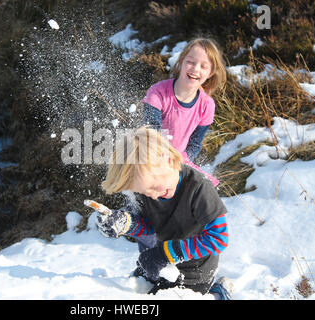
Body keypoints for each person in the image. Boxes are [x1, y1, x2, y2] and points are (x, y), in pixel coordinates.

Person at [96, 127, 234, 299]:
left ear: (168, 160)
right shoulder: (144, 190)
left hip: (194, 271)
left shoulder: (198, 189)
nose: (152, 195)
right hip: (159, 262)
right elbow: (148, 227)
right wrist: (125, 223)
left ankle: (218, 293)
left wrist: (165, 254)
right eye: (146, 192)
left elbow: (218, 238)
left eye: (153, 187)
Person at [142, 37, 227, 187]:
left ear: (211, 72)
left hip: (180, 160)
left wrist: (180, 161)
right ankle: (134, 208)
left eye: (203, 66)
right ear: (181, 61)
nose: (195, 69)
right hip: (151, 155)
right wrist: (162, 159)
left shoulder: (207, 105)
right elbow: (152, 131)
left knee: (205, 188)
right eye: (191, 62)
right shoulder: (157, 92)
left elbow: (195, 143)